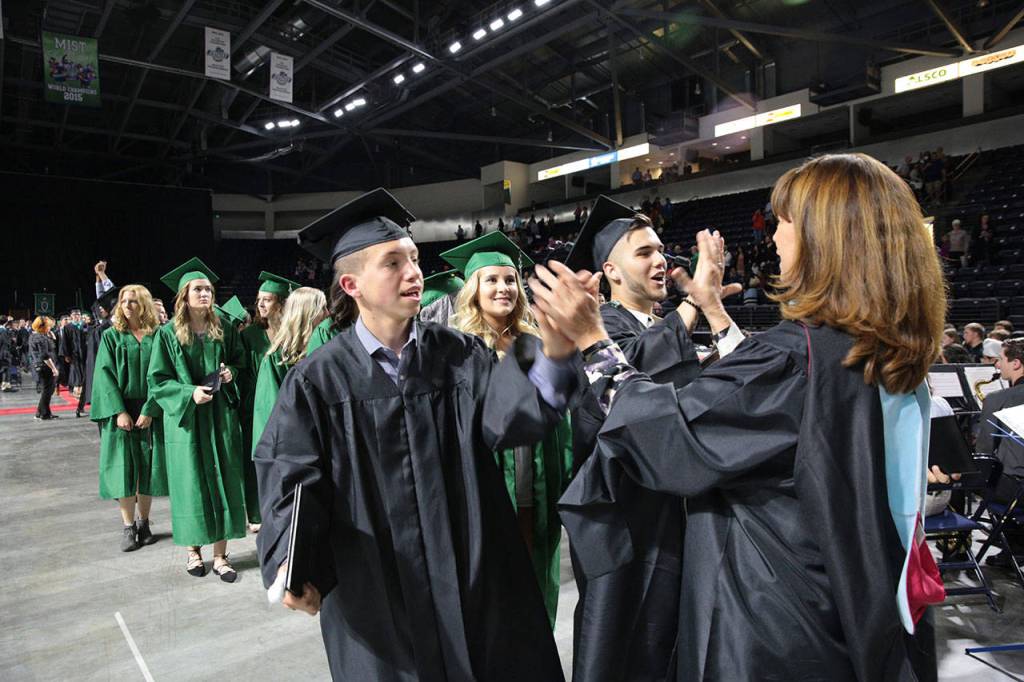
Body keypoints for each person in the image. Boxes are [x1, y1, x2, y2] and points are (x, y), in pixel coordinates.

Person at [534, 153, 946, 680]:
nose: (774, 238)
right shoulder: (881, 352)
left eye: (784, 222)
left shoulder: (795, 359)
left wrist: (592, 341)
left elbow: (670, 437)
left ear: (827, 238)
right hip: (854, 606)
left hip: (777, 619)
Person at [255, 188, 571, 681]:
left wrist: (555, 349)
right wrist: (289, 565)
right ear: (351, 284)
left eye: (415, 258)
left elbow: (513, 417)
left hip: (470, 571)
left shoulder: (462, 355)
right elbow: (289, 474)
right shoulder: (319, 379)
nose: (414, 272)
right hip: (377, 584)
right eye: (393, 262)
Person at [556, 195, 742, 682]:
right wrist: (694, 304)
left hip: (676, 512)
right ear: (611, 271)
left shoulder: (661, 327)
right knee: (621, 639)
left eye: (662, 250)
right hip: (624, 519)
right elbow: (626, 370)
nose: (661, 260)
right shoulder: (598, 328)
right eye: (644, 252)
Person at [443, 231, 574, 627]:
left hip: (537, 492)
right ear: (473, 289)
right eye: (492, 280)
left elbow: (560, 423)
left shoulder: (534, 345)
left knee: (534, 592)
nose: (503, 288)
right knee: (491, 599)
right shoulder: (456, 350)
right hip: (486, 495)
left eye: (510, 280)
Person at [147, 258, 246, 582]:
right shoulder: (167, 335)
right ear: (184, 296)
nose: (205, 294)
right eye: (198, 289)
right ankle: (193, 552)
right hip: (188, 421)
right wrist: (189, 393)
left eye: (208, 289)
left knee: (223, 483)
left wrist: (232, 372)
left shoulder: (225, 328)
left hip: (219, 419)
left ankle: (220, 556)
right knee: (191, 485)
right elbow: (158, 381)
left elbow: (240, 362)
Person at [91, 285, 168, 552]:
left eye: (133, 301)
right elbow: (105, 376)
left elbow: (163, 375)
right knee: (123, 470)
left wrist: (150, 409)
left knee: (147, 469)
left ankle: (144, 522)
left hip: (150, 410)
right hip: (121, 411)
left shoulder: (158, 335)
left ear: (144, 304)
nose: (127, 305)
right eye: (123, 301)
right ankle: (128, 526)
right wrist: (119, 411)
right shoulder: (111, 336)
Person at [237, 272, 301, 532]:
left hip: (287, 407)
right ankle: (257, 513)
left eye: (267, 300)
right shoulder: (250, 334)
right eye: (259, 300)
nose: (261, 305)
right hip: (255, 407)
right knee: (258, 460)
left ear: (281, 303)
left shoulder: (292, 333)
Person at [250, 287, 327, 450]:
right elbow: (271, 415)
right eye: (322, 308)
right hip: (293, 447)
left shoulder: (322, 349)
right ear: (307, 314)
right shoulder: (277, 359)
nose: (327, 314)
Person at [974, 338, 1024, 568]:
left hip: (1015, 489)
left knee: (969, 477)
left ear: (1016, 364)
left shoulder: (998, 400)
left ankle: (1013, 546)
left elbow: (984, 452)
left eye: (1001, 359)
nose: (997, 366)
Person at [29, 317, 59, 420]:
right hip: (45, 367)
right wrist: (54, 368)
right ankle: (43, 414)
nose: (50, 328)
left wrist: (52, 337)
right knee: (47, 391)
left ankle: (42, 412)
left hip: (39, 366)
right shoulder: (41, 338)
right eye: (48, 326)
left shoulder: (34, 336)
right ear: (43, 327)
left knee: (47, 390)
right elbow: (45, 356)